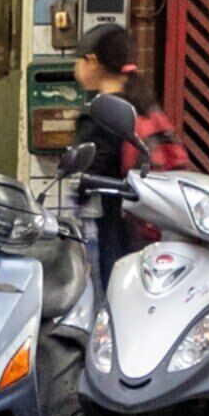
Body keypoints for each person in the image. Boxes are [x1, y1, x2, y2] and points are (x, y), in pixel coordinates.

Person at [67, 26, 187, 278]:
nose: (76, 67)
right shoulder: (145, 103)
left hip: (117, 230)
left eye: (78, 60)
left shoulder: (104, 113)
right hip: (153, 227)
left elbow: (88, 173)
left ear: (93, 62)